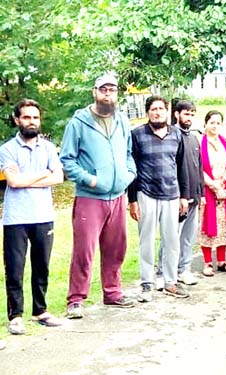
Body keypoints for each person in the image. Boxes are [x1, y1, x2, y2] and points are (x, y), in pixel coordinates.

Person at [60, 73, 138, 318]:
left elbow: (128, 153)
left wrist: (129, 174)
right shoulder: (79, 122)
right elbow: (67, 160)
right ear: (94, 92)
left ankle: (112, 293)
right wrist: (91, 179)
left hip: (117, 196)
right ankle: (75, 299)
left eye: (112, 90)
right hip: (90, 197)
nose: (108, 94)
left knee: (117, 247)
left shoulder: (122, 120)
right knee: (84, 250)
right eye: (103, 89)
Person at [0, 99, 64, 334]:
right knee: (15, 269)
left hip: (43, 215)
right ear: (17, 120)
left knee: (42, 266)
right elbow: (14, 182)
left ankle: (40, 311)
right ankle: (15, 316)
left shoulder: (48, 148)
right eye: (26, 117)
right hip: (16, 218)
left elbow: (58, 178)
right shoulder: (7, 149)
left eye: (35, 117)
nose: (31, 122)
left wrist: (29, 177)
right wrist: (43, 174)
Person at [129, 95, 190, 302]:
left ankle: (171, 282)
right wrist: (132, 200)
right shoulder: (137, 134)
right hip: (146, 193)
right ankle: (147, 283)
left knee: (172, 240)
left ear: (167, 111)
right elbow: (132, 168)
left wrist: (185, 196)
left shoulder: (176, 134)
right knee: (146, 240)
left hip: (172, 194)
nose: (157, 112)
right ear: (148, 112)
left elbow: (181, 166)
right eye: (153, 109)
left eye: (161, 109)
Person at [156, 99, 201, 287]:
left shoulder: (193, 137)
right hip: (177, 197)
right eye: (186, 114)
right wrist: (180, 194)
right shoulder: (172, 135)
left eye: (192, 114)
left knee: (188, 237)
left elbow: (199, 167)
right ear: (176, 114)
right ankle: (161, 273)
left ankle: (183, 269)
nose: (189, 117)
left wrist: (201, 194)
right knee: (171, 236)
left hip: (195, 196)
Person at [198, 110, 226, 277]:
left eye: (218, 123)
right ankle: (207, 262)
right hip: (207, 188)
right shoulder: (200, 142)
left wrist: (223, 180)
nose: (215, 126)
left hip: (225, 185)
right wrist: (212, 184)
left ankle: (222, 261)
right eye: (212, 122)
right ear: (206, 124)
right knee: (208, 224)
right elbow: (198, 167)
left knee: (224, 224)